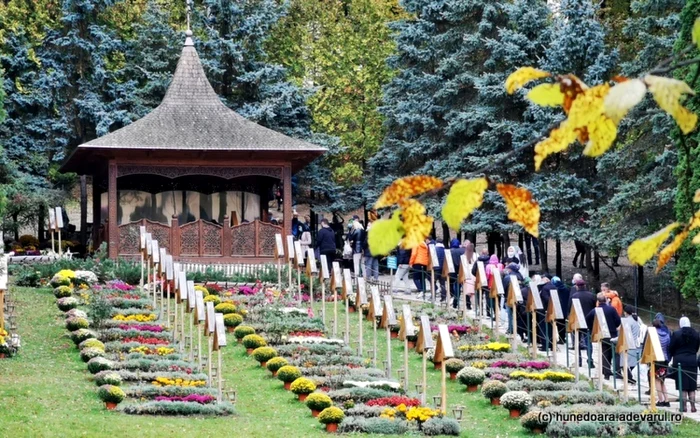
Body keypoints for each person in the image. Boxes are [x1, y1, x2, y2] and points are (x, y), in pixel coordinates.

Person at [586, 293, 621, 380]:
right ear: (606, 300)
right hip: (612, 333)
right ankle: (617, 371)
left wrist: (592, 328)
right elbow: (618, 320)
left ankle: (606, 373)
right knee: (615, 353)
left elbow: (587, 318)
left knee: (605, 353)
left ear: (598, 301)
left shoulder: (595, 310)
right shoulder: (611, 309)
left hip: (601, 334)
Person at [668, 317, 700, 412]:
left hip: (679, 361)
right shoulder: (696, 334)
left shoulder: (676, 334)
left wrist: (675, 354)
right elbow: (696, 347)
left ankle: (684, 407)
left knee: (682, 385)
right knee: (692, 386)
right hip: (692, 361)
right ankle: (693, 407)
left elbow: (671, 348)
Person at [569, 277, 597, 368]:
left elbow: (570, 308)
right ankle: (590, 360)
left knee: (576, 342)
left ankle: (579, 361)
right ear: (585, 286)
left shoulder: (574, 296)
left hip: (576, 322)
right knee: (588, 342)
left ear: (577, 286)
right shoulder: (592, 295)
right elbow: (594, 308)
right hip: (588, 322)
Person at [650, 313, 672, 407]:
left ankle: (661, 400)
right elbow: (668, 347)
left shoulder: (654, 334)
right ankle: (667, 400)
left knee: (657, 380)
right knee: (662, 379)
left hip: (657, 359)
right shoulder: (667, 334)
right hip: (665, 359)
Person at [619, 305, 641, 385]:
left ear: (625, 312)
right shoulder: (636, 321)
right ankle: (633, 379)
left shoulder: (626, 321)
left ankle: (630, 379)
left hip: (627, 344)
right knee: (632, 364)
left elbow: (623, 334)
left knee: (623, 364)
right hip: (636, 345)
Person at [502, 263, 523, 336]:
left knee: (510, 315)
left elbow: (503, 288)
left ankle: (511, 329)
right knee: (517, 315)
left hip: (509, 298)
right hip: (519, 298)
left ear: (510, 269)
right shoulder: (520, 275)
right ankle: (517, 329)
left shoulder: (507, 277)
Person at [551, 276, 570, 344]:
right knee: (563, 324)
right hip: (565, 309)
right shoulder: (566, 289)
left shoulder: (555, 289)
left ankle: (560, 338)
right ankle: (563, 337)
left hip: (558, 309)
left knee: (558, 324)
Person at [537, 274, 553, 351]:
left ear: (547, 280)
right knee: (550, 328)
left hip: (544, 311)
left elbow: (546, 299)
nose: (541, 280)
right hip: (552, 311)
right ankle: (551, 344)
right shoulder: (554, 286)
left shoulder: (545, 288)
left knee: (543, 328)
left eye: (542, 278)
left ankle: (545, 345)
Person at [449, 239, 465, 308]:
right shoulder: (462, 251)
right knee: (458, 286)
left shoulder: (450, 251)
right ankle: (456, 299)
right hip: (461, 271)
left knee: (452, 285)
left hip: (452, 271)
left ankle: (453, 297)